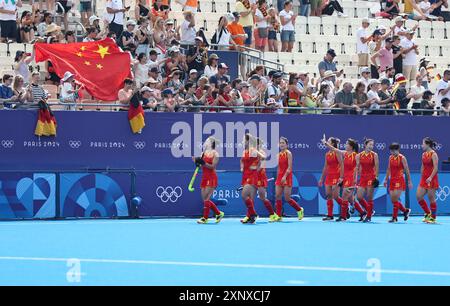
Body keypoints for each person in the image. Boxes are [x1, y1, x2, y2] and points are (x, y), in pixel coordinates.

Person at [322, 137, 360, 221]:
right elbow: (333, 148)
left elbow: (357, 168)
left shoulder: (356, 155)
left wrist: (354, 179)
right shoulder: (345, 153)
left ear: (351, 146)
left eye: (347, 144)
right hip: (345, 177)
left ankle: (344, 216)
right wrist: (325, 143)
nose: (345, 145)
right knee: (347, 198)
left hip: (351, 178)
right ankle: (361, 213)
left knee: (344, 196)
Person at [194, 137, 225, 224]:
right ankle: (218, 214)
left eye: (207, 141)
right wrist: (197, 162)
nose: (205, 142)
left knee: (207, 198)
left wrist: (203, 162)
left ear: (211, 143)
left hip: (212, 177)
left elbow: (212, 167)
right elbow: (200, 166)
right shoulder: (203, 153)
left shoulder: (215, 154)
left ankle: (205, 218)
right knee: (205, 199)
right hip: (204, 177)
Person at [274, 137, 304, 222]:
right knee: (278, 196)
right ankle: (279, 216)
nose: (281, 144)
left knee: (287, 198)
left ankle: (299, 210)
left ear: (286, 145)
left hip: (287, 177)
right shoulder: (278, 155)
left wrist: (284, 176)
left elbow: (289, 167)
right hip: (280, 177)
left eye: (283, 143)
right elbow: (279, 168)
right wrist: (278, 178)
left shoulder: (289, 153)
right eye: (280, 143)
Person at [383, 143, 412, 223]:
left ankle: (394, 217)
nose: (392, 152)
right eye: (391, 151)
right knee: (393, 200)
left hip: (399, 180)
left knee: (395, 198)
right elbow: (388, 169)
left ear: (397, 150)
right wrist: (385, 180)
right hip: (392, 180)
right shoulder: (390, 158)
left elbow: (407, 170)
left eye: (393, 150)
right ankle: (405, 210)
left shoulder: (402, 158)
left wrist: (409, 181)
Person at [319, 137, 344, 221]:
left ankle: (345, 208)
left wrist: (341, 177)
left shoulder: (337, 152)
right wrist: (321, 179)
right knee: (329, 195)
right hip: (329, 176)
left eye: (328, 142)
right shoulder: (327, 154)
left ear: (332, 144)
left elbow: (341, 164)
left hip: (336, 176)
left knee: (336, 196)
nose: (327, 143)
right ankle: (330, 215)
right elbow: (325, 167)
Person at [355, 138, 379, 223]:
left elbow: (376, 166)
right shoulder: (359, 155)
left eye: (372, 145)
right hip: (362, 178)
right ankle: (370, 211)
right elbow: (357, 167)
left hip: (371, 177)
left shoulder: (374, 155)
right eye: (370, 144)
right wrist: (355, 178)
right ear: (365, 145)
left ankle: (369, 216)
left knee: (369, 198)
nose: (371, 146)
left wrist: (376, 177)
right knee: (359, 197)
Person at [416, 137, 440, 224]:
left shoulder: (434, 154)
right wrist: (422, 175)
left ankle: (433, 218)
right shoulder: (423, 154)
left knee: (431, 198)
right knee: (418, 196)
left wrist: (430, 177)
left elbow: (436, 167)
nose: (422, 145)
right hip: (424, 179)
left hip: (431, 179)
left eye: (423, 143)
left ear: (428, 144)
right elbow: (423, 166)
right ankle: (427, 213)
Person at [240, 134, 262, 224]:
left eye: (243, 139)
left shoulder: (253, 150)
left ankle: (253, 214)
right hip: (245, 175)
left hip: (252, 176)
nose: (242, 141)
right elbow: (242, 160)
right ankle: (250, 216)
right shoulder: (245, 151)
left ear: (248, 141)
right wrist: (242, 167)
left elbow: (262, 157)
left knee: (244, 195)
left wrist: (256, 167)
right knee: (250, 198)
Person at [255, 138, 279, 221]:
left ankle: (273, 214)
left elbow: (260, 166)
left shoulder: (262, 153)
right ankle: (251, 215)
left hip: (260, 178)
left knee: (262, 197)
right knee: (250, 197)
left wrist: (253, 171)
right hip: (253, 177)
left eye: (257, 144)